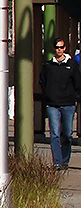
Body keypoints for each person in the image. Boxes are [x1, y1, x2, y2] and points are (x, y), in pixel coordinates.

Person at [40, 39, 81, 170]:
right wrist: (47, 94)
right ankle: (57, 162)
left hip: (68, 104)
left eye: (61, 47)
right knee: (55, 134)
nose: (59, 49)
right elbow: (42, 81)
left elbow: (78, 83)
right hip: (53, 104)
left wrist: (75, 96)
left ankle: (65, 160)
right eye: (57, 47)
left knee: (67, 134)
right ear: (54, 48)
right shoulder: (48, 65)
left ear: (65, 48)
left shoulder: (72, 65)